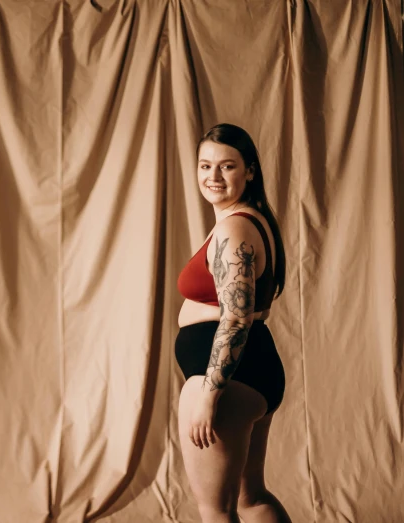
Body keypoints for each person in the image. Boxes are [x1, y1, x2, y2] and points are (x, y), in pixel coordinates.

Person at [174, 123, 292, 523]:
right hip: (253, 368)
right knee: (250, 497)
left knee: (215, 510)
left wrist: (210, 393)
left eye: (227, 166)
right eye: (205, 166)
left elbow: (238, 317)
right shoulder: (252, 219)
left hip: (226, 374)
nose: (213, 177)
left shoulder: (233, 229)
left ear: (250, 171)